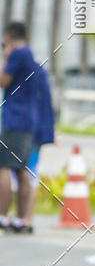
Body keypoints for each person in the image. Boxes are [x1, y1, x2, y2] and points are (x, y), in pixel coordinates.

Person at [0, 22, 42, 233]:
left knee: (4, 167)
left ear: (10, 38)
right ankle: (22, 219)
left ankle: (2, 216)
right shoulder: (32, 58)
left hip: (14, 120)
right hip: (28, 122)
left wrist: (6, 56)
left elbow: (3, 81)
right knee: (21, 169)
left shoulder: (17, 55)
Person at [9, 59, 55, 233]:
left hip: (27, 131)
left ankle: (24, 218)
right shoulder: (40, 74)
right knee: (31, 174)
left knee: (23, 174)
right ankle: (27, 218)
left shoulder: (21, 77)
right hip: (38, 130)